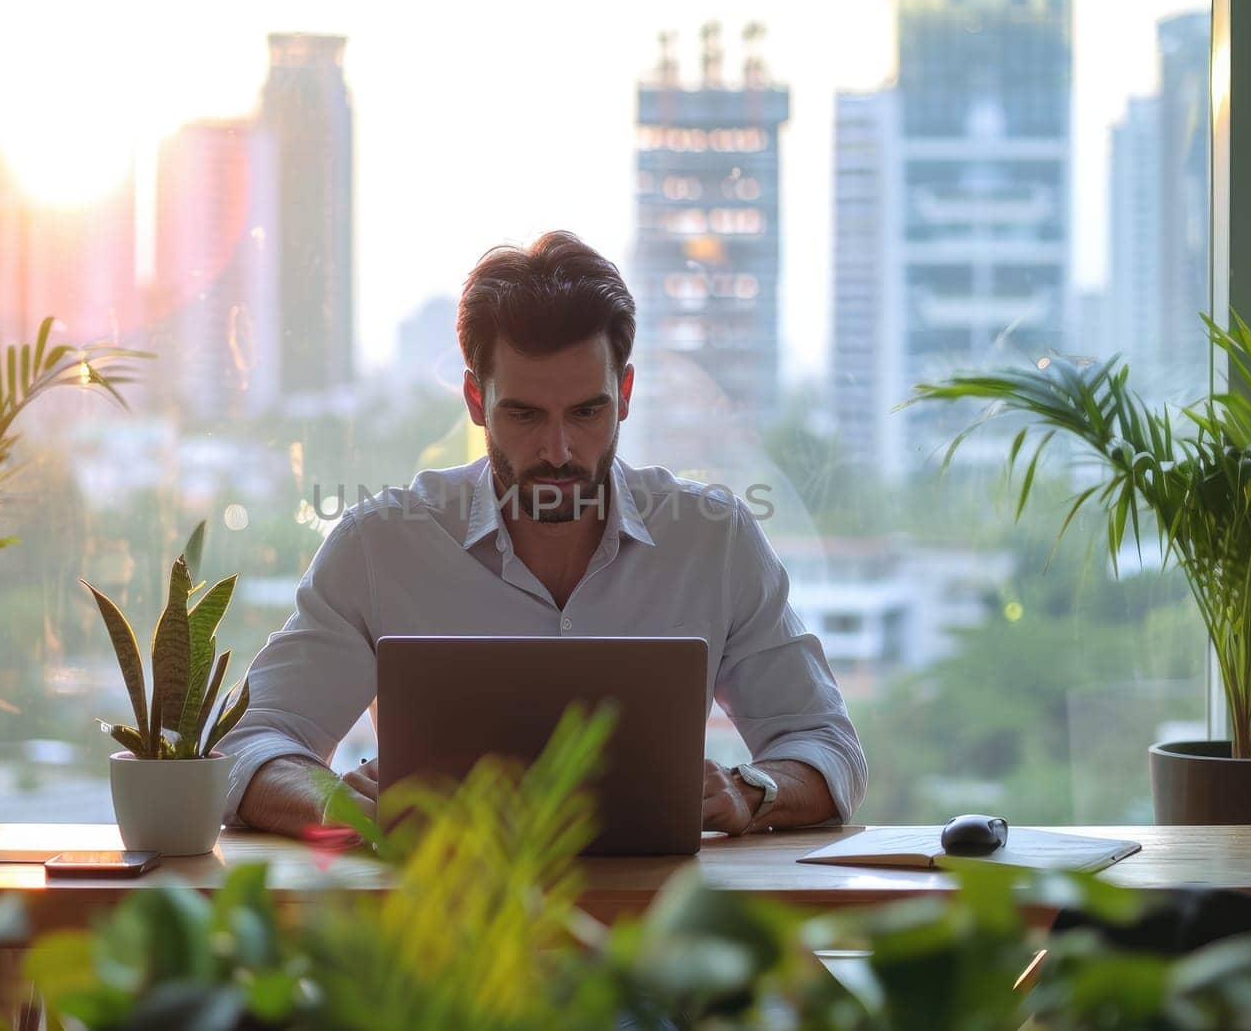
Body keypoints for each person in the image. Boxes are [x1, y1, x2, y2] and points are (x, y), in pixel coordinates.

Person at [220, 231, 866, 837]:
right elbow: (247, 744)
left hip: (654, 931)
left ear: (627, 391)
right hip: (436, 925)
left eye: (588, 411)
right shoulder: (380, 544)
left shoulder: (713, 540)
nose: (558, 450)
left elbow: (825, 745)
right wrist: (330, 801)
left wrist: (749, 791)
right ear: (476, 401)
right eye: (524, 414)